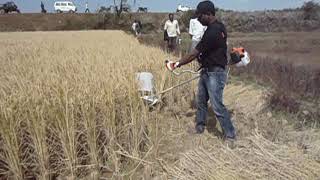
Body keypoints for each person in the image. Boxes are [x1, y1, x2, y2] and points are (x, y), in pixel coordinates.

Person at [166, 1, 236, 142]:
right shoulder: (219, 26)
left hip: (215, 73)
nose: (197, 19)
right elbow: (206, 51)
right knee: (201, 101)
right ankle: (200, 127)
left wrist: (176, 64)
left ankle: (230, 136)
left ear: (209, 14)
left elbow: (193, 54)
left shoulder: (213, 32)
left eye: (200, 16)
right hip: (207, 70)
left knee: (217, 106)